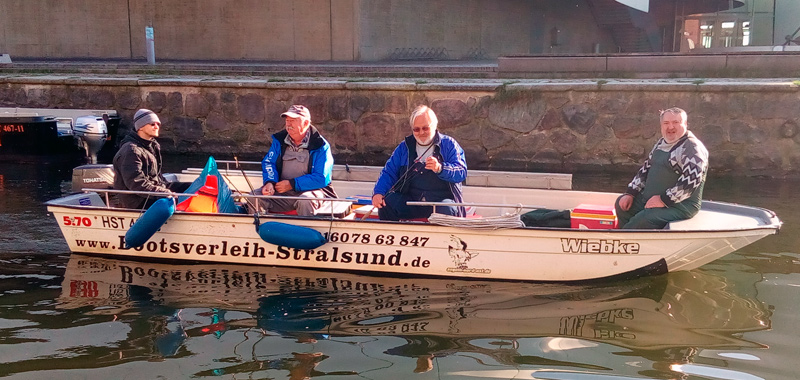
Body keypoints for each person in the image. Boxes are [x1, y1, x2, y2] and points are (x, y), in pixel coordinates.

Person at [615, 107, 708, 229]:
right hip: (651, 200)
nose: (670, 127)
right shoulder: (661, 143)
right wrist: (630, 193)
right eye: (666, 123)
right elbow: (645, 169)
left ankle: (624, 241)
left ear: (685, 124)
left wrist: (664, 200)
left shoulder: (692, 147)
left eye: (675, 122)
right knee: (621, 205)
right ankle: (625, 237)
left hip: (680, 206)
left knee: (646, 217)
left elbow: (692, 180)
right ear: (661, 125)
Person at [372, 105, 467, 220]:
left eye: (425, 128)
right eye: (416, 129)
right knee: (387, 202)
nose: (421, 132)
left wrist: (440, 168)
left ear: (434, 126)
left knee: (448, 208)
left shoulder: (450, 144)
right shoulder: (404, 147)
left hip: (440, 202)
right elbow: (389, 172)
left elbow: (461, 172)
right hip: (411, 201)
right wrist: (378, 193)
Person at [250, 104, 336, 216]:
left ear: (306, 123)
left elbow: (321, 177)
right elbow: (269, 162)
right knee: (253, 197)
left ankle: (305, 232)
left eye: (293, 120)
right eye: (287, 120)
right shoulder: (279, 140)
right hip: (283, 192)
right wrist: (270, 182)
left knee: (305, 201)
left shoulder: (321, 146)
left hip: (314, 191)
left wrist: (292, 184)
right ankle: (260, 230)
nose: (288, 124)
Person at [112, 109, 190, 209]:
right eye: (152, 124)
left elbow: (159, 179)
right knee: (175, 199)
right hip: (138, 200)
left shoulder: (153, 146)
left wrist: (184, 187)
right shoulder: (131, 150)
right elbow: (136, 183)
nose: (156, 127)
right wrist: (163, 192)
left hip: (153, 192)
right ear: (140, 127)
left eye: (158, 124)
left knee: (191, 187)